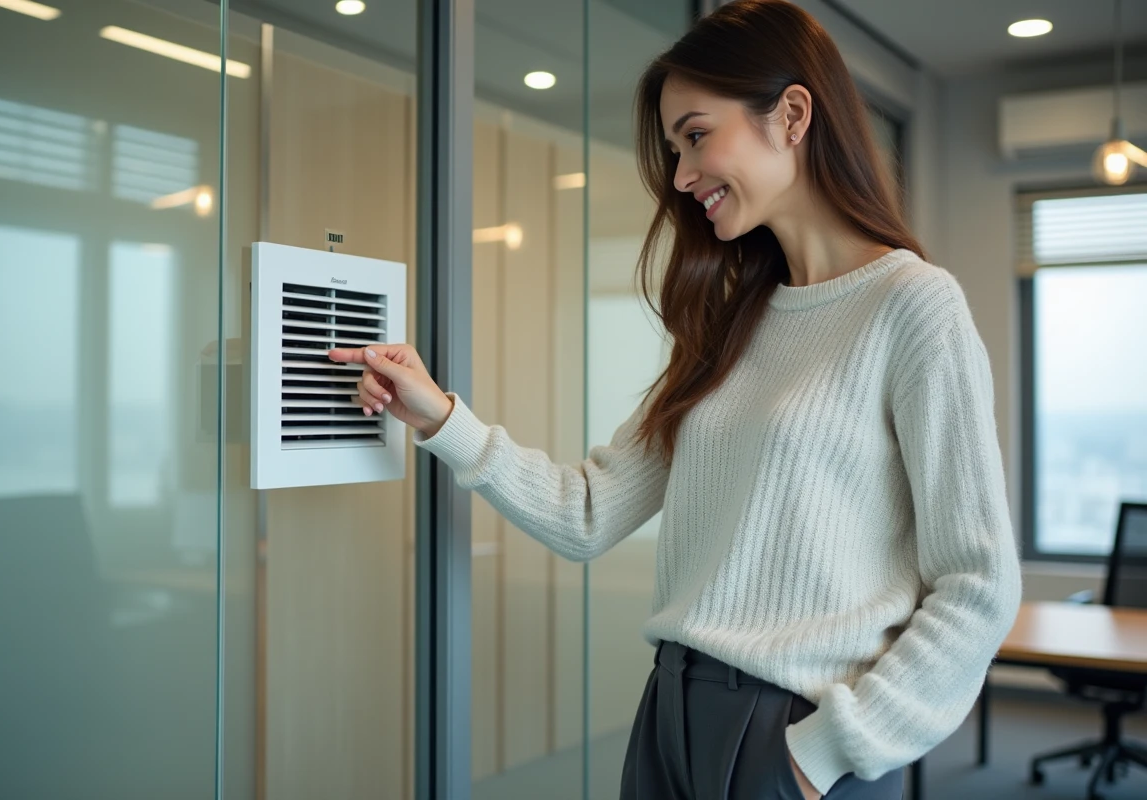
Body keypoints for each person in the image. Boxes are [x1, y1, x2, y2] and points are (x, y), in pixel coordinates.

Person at [330, 1, 1023, 797]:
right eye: (673, 148)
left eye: (696, 135)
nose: (682, 174)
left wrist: (825, 751)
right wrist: (441, 419)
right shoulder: (735, 323)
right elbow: (588, 511)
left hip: (794, 736)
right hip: (670, 715)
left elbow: (977, 582)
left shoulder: (912, 305)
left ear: (792, 114)